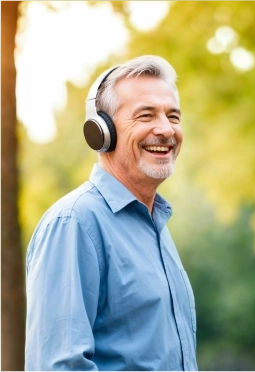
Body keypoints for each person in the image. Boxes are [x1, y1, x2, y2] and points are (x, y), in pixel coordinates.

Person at [25, 55, 198, 371]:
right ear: (101, 131)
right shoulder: (74, 224)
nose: (165, 129)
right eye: (145, 115)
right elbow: (60, 366)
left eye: (173, 116)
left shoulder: (156, 224)